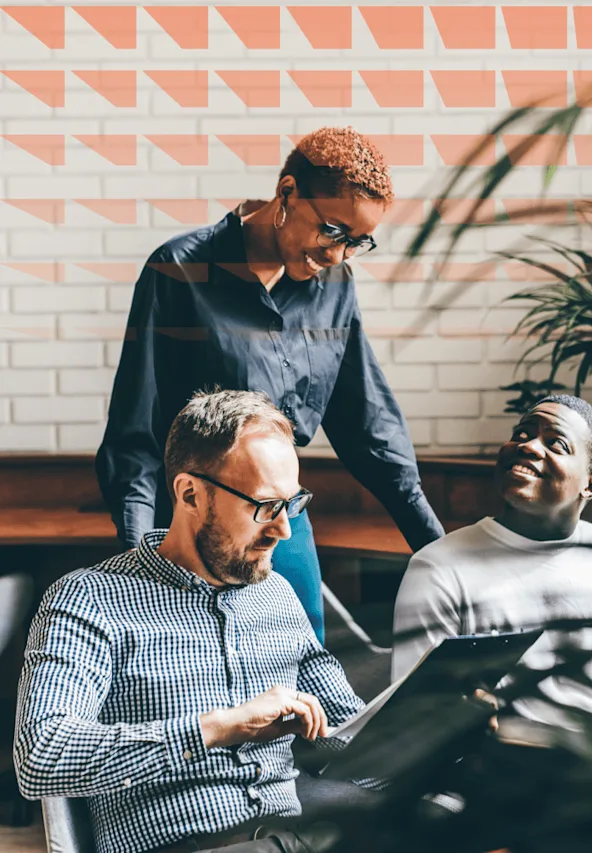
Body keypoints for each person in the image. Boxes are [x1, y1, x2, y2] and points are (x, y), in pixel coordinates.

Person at [95, 126, 445, 643]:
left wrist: (438, 551)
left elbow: (367, 422)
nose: (339, 255)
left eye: (358, 241)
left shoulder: (335, 287)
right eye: (332, 230)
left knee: (304, 672)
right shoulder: (178, 271)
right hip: (196, 527)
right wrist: (137, 556)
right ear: (287, 193)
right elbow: (136, 429)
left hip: (285, 521)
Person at [14, 390, 368, 853]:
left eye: (293, 503)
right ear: (189, 494)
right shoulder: (89, 599)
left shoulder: (277, 595)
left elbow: (353, 734)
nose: (283, 529)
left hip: (299, 841)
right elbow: (42, 755)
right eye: (264, 506)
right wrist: (217, 728)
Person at [392, 395, 592, 728]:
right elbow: (415, 715)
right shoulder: (438, 567)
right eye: (522, 434)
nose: (529, 446)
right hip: (503, 764)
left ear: (591, 486)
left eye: (556, 443)